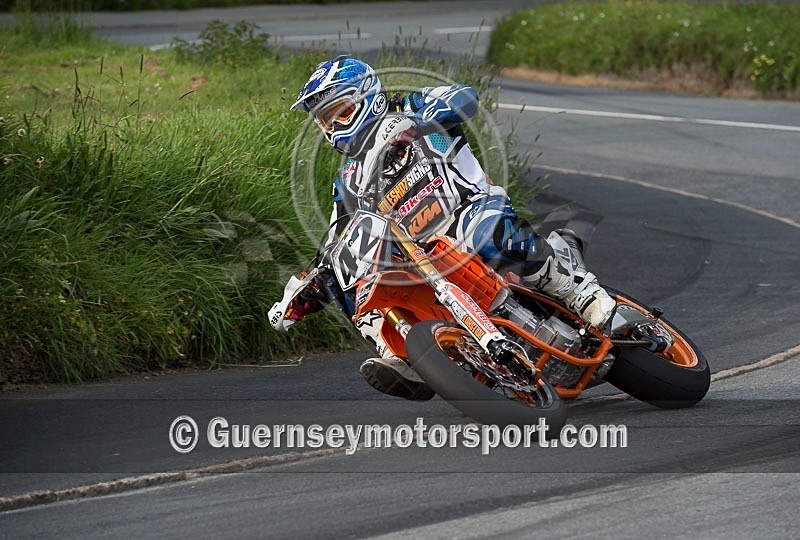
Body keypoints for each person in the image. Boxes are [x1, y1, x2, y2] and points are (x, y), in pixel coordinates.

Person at [273, 55, 616, 400]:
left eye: (341, 113)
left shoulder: (411, 104)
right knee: (355, 282)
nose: (333, 127)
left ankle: (580, 292)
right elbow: (340, 236)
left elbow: (464, 97)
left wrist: (418, 121)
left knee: (483, 233)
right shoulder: (349, 180)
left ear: (369, 96)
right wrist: (312, 283)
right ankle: (403, 356)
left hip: (469, 209)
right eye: (325, 121)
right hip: (423, 255)